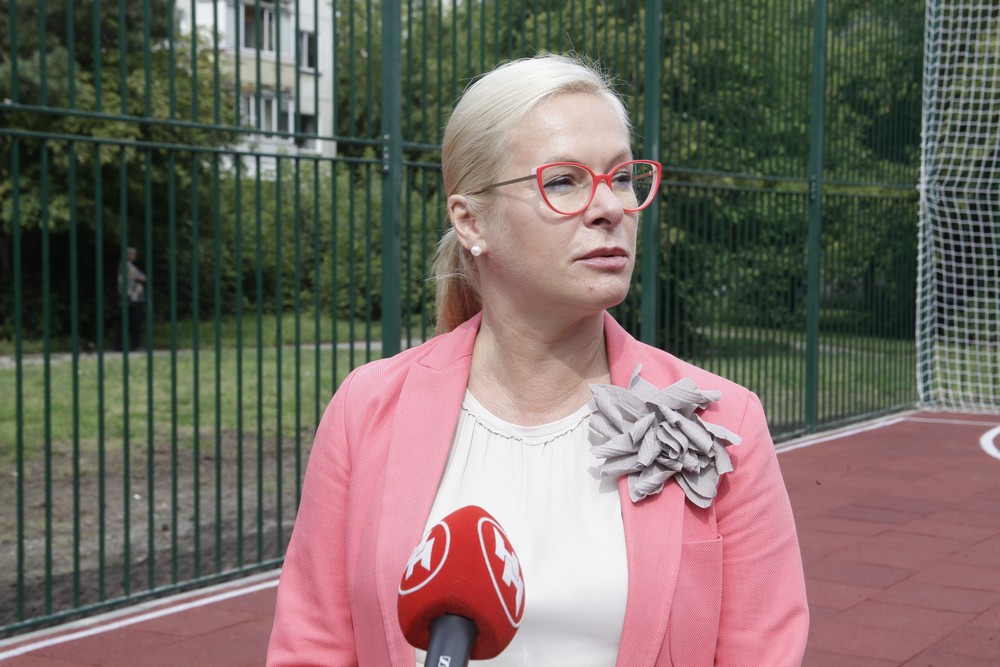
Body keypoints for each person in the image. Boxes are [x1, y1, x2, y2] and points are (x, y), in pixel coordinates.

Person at [266, 54, 809, 666]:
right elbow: (312, 648)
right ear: (471, 221)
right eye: (564, 181)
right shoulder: (366, 409)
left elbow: (762, 650)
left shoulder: (722, 423)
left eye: (621, 177)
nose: (610, 208)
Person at [118, 246, 146, 352]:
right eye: (134, 254)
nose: (135, 256)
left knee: (127, 321)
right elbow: (142, 278)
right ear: (128, 255)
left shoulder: (124, 265)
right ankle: (135, 345)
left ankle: (120, 345)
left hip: (129, 297)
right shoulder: (127, 265)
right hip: (131, 297)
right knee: (134, 322)